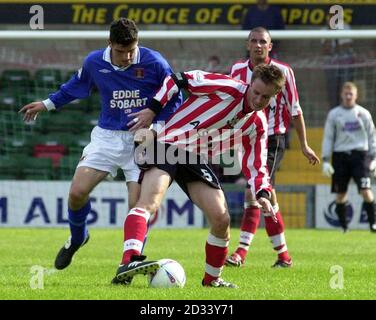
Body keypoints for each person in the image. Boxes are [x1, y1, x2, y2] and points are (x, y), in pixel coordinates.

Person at [19, 18, 183, 270]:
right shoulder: (95, 62)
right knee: (76, 193)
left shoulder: (154, 62)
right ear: (110, 44)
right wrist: (47, 104)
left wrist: (156, 125)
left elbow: (174, 97)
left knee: (137, 207)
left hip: (142, 141)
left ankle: (128, 262)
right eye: (121, 51)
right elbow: (76, 87)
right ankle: (78, 238)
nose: (127, 56)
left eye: (132, 50)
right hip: (107, 138)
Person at [111, 64, 286, 288]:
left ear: (274, 96)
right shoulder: (227, 87)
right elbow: (177, 79)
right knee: (150, 202)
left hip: (196, 159)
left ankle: (212, 280)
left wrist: (262, 192)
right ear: (251, 84)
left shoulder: (258, 124)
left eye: (266, 97)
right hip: (169, 143)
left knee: (221, 219)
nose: (259, 99)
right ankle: (128, 262)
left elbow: (257, 165)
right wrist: (153, 109)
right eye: (256, 92)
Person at [226, 27, 320, 268]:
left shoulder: (284, 72)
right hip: (245, 138)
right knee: (269, 196)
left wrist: (305, 145)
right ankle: (284, 256)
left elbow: (295, 110)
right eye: (254, 41)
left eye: (263, 42)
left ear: (270, 46)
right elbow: (231, 103)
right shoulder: (237, 70)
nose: (258, 45)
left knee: (253, 191)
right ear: (247, 45)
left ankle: (240, 253)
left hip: (272, 139)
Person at [322, 81, 376, 232]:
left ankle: (373, 224)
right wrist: (325, 160)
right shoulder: (334, 114)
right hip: (340, 156)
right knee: (340, 193)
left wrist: (374, 157)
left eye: (350, 94)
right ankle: (344, 226)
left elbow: (372, 136)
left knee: (365, 190)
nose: (348, 96)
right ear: (341, 95)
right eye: (345, 94)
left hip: (360, 156)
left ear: (356, 95)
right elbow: (328, 137)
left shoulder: (363, 113)